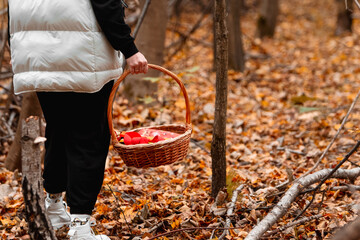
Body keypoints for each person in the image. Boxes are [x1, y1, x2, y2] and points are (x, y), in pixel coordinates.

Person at [8, 0, 148, 239]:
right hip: (83, 58)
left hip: (40, 57)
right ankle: (81, 225)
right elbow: (106, 4)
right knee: (89, 137)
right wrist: (130, 49)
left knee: (58, 130)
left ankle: (54, 206)